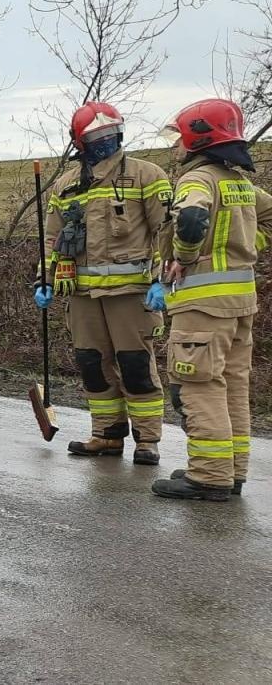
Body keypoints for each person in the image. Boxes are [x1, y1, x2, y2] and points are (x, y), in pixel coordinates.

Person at [33, 102, 173, 465]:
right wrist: (44, 280)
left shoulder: (146, 175)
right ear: (80, 142)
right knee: (92, 364)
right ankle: (107, 434)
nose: (105, 142)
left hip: (132, 294)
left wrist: (161, 281)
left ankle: (147, 440)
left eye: (110, 134)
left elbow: (165, 231)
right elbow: (51, 239)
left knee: (136, 366)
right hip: (81, 295)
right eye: (96, 136)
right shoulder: (65, 186)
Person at [150, 98, 272, 501]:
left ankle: (208, 476)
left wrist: (183, 259)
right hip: (240, 302)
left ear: (198, 138)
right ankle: (231, 471)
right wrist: (248, 244)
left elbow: (191, 220)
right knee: (232, 386)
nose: (175, 146)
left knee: (197, 383)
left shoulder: (198, 180)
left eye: (179, 138)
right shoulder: (239, 183)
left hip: (203, 304)